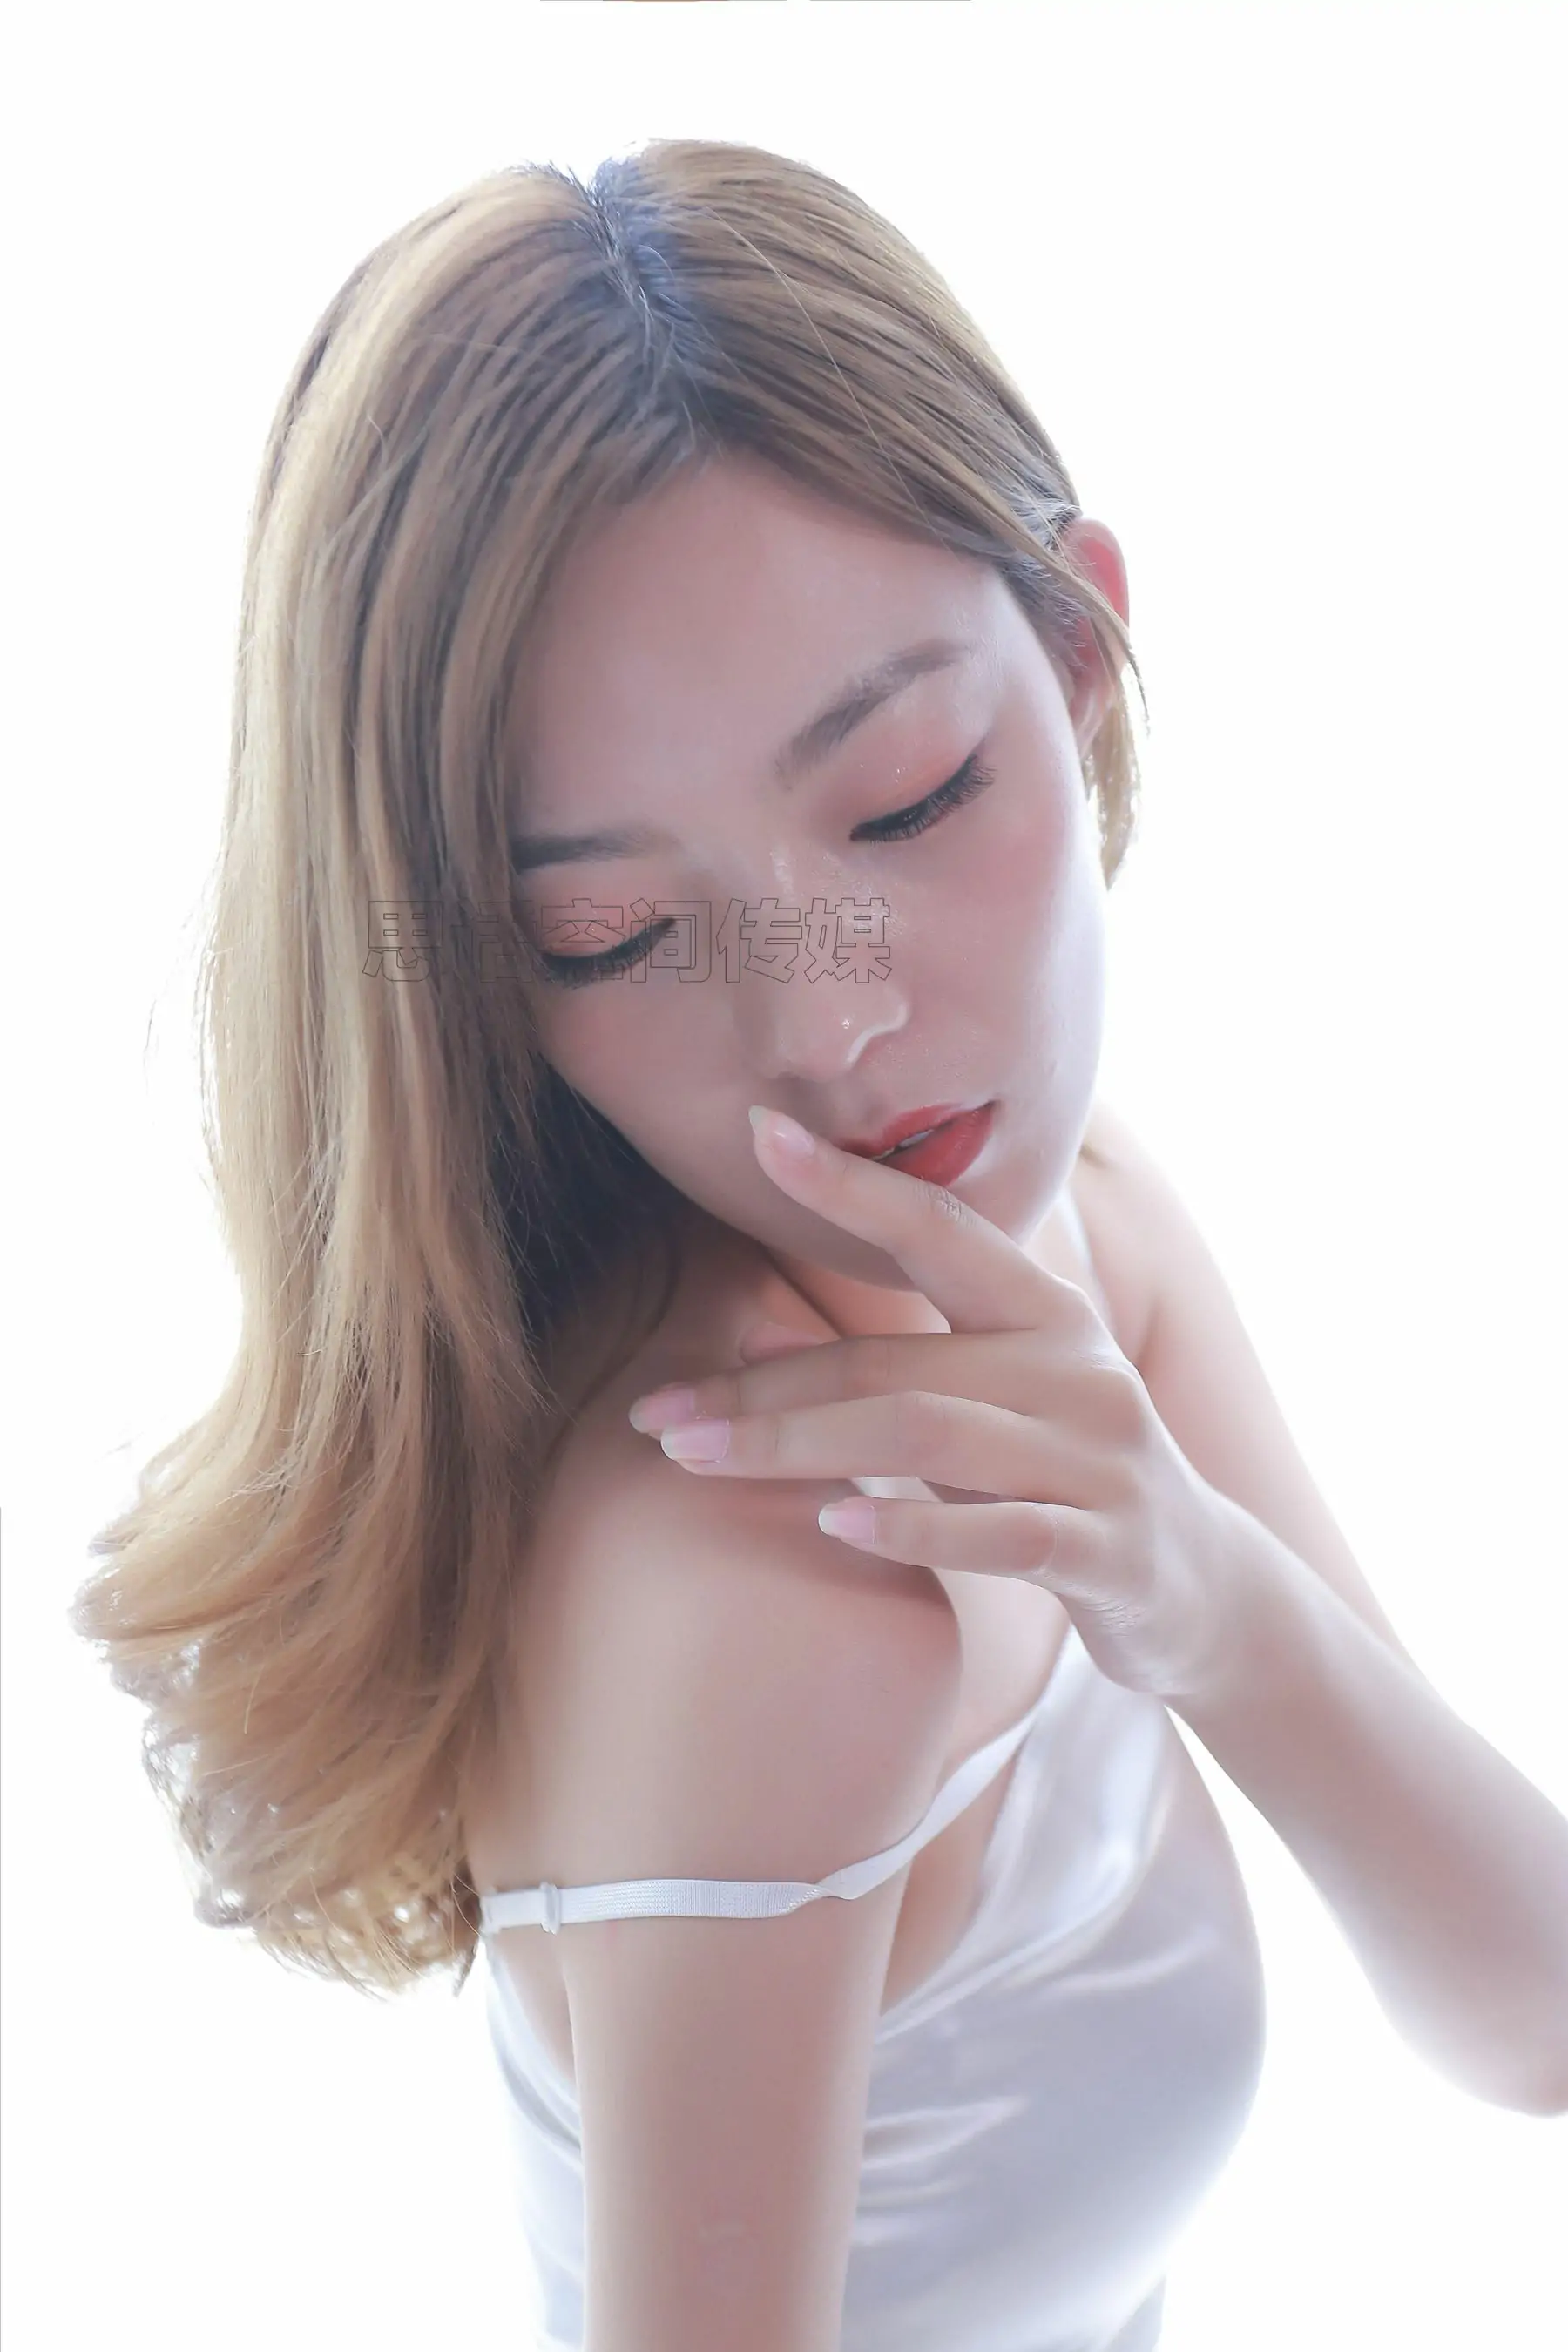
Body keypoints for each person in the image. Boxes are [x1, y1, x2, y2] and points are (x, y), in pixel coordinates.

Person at [71, 138, 1568, 2352]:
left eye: (908, 798)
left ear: (1081, 650)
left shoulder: (1081, 1223)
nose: (829, 1024)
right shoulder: (769, 1595)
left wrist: (1200, 1590)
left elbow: (1530, 2019)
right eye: (620, 934)